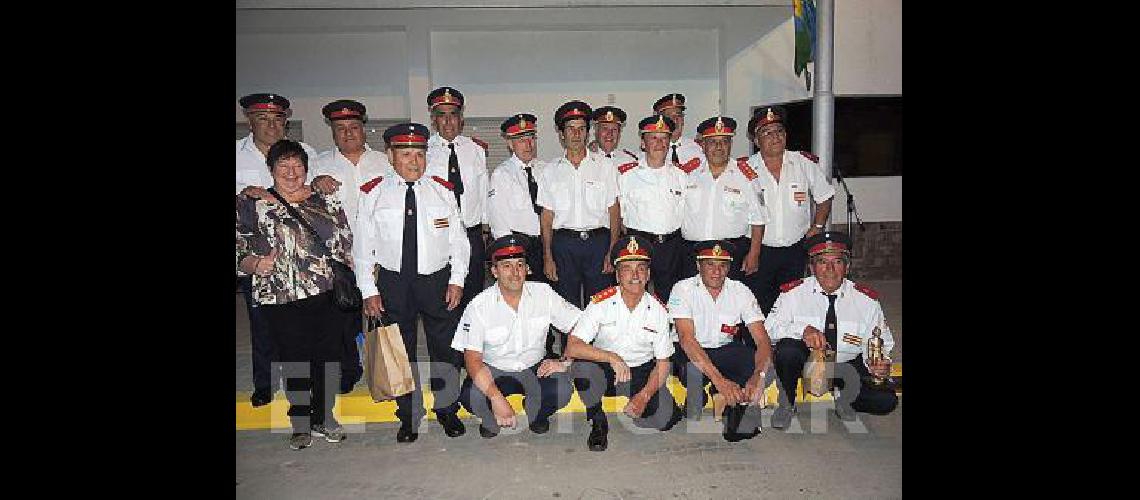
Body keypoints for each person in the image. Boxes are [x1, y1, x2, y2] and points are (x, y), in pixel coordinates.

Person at [354, 123, 472, 443]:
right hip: (393, 282)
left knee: (445, 349)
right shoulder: (373, 193)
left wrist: (457, 280)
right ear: (390, 156)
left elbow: (459, 243)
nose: (414, 161)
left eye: (419, 154)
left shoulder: (442, 190)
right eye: (405, 154)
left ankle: (447, 410)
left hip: (436, 280)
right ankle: (407, 415)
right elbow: (363, 247)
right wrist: (369, 289)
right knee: (398, 351)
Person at [236, 139, 352, 450]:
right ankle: (300, 422)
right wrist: (256, 264)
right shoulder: (251, 203)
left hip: (326, 294)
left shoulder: (325, 200)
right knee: (295, 360)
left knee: (328, 359)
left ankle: (324, 417)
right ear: (270, 170)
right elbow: (239, 249)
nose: (291, 172)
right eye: (283, 166)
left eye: (297, 165)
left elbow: (344, 239)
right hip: (280, 297)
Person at [764, 231, 897, 430]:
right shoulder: (793, 294)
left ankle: (844, 398)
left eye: (837, 262)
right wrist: (803, 331)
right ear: (811, 267)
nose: (830, 269)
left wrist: (880, 365)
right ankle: (787, 404)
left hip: (846, 366)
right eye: (822, 262)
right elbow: (769, 329)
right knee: (787, 350)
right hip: (808, 363)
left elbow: (881, 342)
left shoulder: (866, 301)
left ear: (847, 266)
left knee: (885, 401)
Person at [235, 93, 319, 407]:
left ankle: (306, 385)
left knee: (303, 328)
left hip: (301, 257)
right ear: (249, 120)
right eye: (263, 118)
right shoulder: (238, 155)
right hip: (259, 258)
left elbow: (317, 194)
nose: (271, 125)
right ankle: (265, 384)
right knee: (262, 324)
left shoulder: (306, 152)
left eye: (277, 119)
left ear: (285, 120)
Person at [452, 234, 581, 438]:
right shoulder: (479, 306)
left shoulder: (543, 293)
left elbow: (580, 325)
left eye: (520, 265)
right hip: (494, 368)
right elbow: (472, 359)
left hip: (535, 366)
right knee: (470, 397)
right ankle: (491, 415)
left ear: (527, 268)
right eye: (507, 266)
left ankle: (536, 412)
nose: (515, 273)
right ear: (494, 271)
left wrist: (565, 361)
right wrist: (496, 398)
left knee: (562, 389)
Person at [564, 235, 683, 452]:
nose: (635, 275)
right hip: (606, 371)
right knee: (581, 368)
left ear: (648, 274)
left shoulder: (659, 311)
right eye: (627, 269)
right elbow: (572, 346)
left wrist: (644, 396)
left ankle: (637, 403)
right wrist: (612, 357)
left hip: (640, 372)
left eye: (641, 268)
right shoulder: (601, 303)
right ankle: (598, 421)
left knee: (667, 419)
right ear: (618, 275)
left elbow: (663, 363)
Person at [311, 99, 392, 394]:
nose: (347, 134)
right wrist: (314, 184)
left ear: (364, 129)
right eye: (340, 128)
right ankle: (348, 368)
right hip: (339, 256)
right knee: (343, 317)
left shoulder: (385, 162)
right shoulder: (318, 165)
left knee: (384, 312)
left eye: (353, 127)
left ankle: (387, 369)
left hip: (381, 253)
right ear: (332, 131)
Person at [668, 240, 775, 441]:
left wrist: (758, 376)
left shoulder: (740, 290)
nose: (717, 271)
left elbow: (762, 340)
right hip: (691, 351)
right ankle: (702, 393)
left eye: (722, 265)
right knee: (691, 372)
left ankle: (734, 404)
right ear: (698, 265)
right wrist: (721, 381)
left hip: (725, 348)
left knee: (761, 367)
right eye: (710, 264)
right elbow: (687, 340)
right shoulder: (682, 289)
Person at [537, 100, 621, 355]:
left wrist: (612, 251)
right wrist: (548, 256)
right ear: (561, 136)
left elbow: (614, 212)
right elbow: (547, 218)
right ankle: (569, 357)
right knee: (567, 307)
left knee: (601, 306)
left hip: (598, 244)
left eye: (581, 128)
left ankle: (599, 357)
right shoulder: (550, 171)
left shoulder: (605, 166)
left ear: (588, 132)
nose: (576, 134)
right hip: (564, 245)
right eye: (571, 129)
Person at [744, 106, 835, 315]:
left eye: (779, 131)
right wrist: (749, 250)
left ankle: (787, 344)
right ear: (757, 141)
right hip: (759, 250)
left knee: (792, 302)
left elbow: (825, 195)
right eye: (767, 133)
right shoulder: (746, 169)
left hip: (795, 249)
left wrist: (818, 226)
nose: (775, 137)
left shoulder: (803, 164)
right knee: (757, 303)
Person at [679, 116, 768, 286]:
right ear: (703, 145)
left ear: (730, 145)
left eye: (724, 141)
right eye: (713, 142)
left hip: (732, 253)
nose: (719, 147)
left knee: (730, 304)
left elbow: (759, 218)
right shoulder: (688, 173)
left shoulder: (745, 175)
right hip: (692, 252)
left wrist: (754, 254)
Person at [425, 87, 490, 312]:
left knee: (474, 298)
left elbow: (483, 190)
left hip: (471, 234)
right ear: (434, 120)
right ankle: (449, 346)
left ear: (461, 119)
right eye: (442, 115)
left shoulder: (476, 150)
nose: (448, 121)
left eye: (453, 114)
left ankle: (472, 344)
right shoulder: (423, 151)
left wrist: (485, 229)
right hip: (439, 235)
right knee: (443, 299)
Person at [616, 115, 688, 303]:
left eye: (664, 137)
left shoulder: (681, 176)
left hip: (671, 247)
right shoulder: (626, 175)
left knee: (671, 298)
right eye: (653, 138)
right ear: (642, 143)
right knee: (634, 295)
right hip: (639, 244)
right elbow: (620, 216)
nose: (659, 143)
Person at [487, 113, 547, 282]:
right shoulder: (501, 175)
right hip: (519, 246)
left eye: (531, 139)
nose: (528, 145)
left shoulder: (545, 169)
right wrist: (511, 254)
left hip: (545, 245)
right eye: (521, 140)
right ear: (510, 144)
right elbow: (498, 220)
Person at [651, 93, 704, 167]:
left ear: (683, 120)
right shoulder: (652, 150)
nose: (675, 120)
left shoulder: (697, 149)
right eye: (669, 116)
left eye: (678, 115)